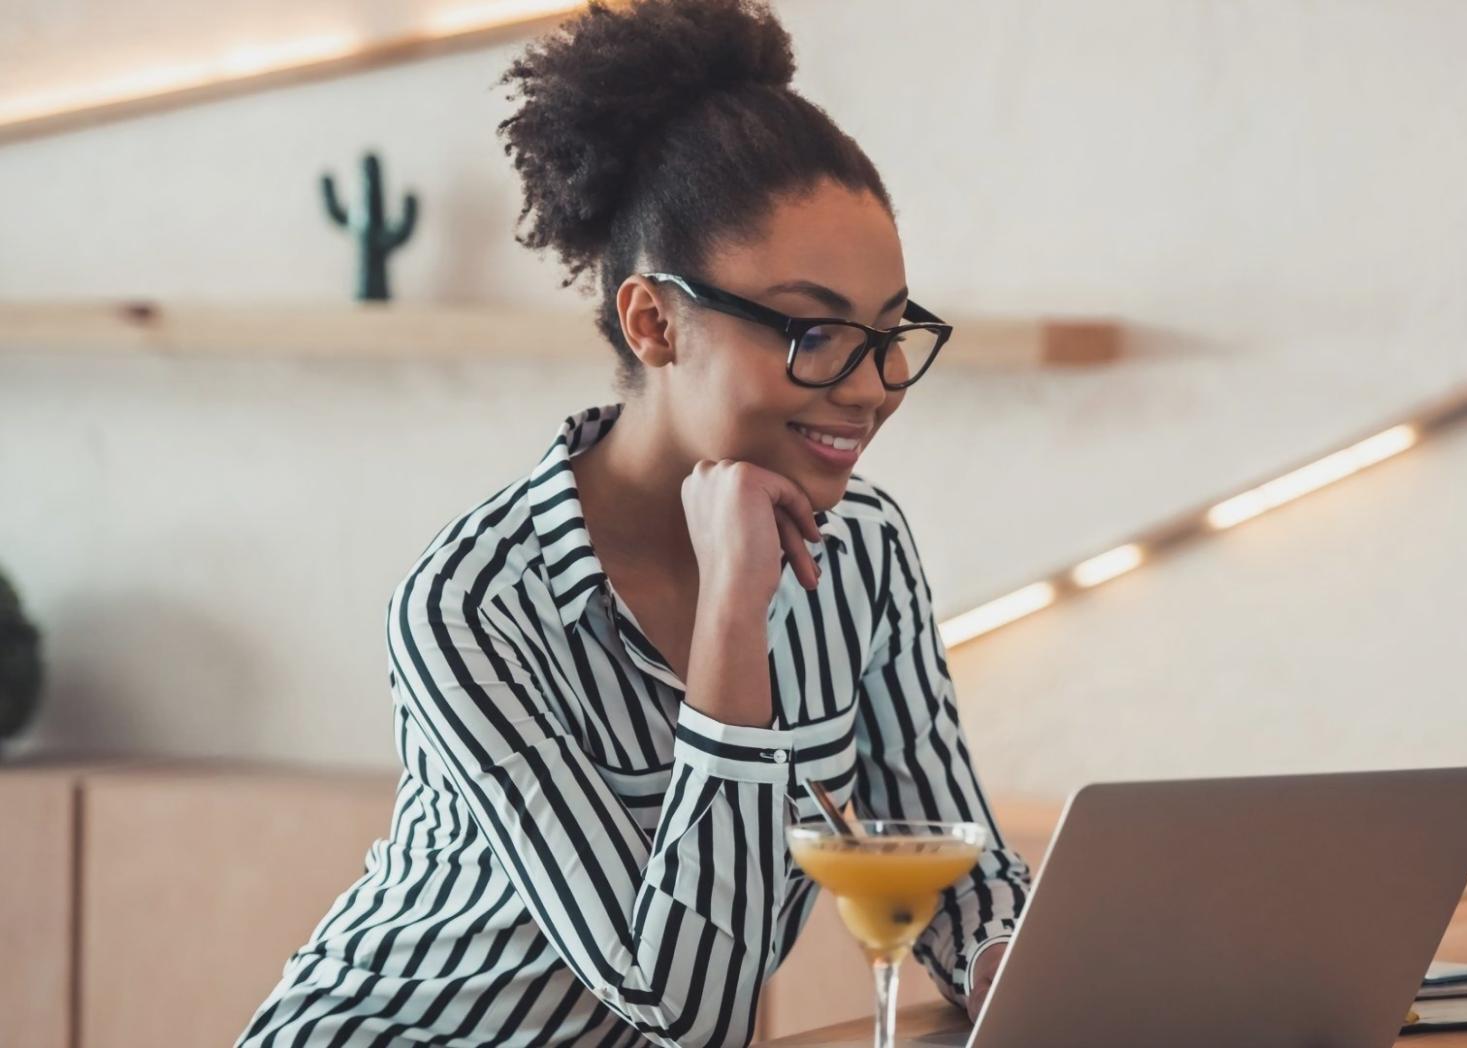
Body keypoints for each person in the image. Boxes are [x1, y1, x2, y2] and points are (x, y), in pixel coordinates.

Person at [236, 1, 1030, 1045]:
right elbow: (683, 1007)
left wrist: (1023, 967)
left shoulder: (865, 552)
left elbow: (949, 860)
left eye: (888, 334)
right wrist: (733, 610)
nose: (872, 386)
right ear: (654, 322)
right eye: (815, 332)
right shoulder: (473, 609)